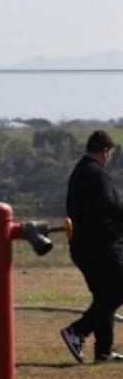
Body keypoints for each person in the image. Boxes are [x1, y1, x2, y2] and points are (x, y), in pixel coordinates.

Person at [61, 130, 123, 364]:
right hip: (101, 247)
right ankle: (77, 331)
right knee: (118, 290)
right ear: (105, 152)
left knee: (104, 296)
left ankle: (104, 351)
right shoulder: (96, 175)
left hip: (83, 247)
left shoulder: (80, 173)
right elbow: (110, 207)